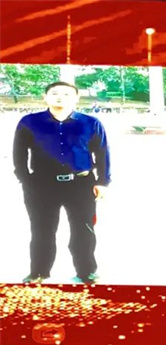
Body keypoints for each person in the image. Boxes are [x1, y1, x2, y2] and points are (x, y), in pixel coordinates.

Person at [12, 81, 111, 284]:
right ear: (45, 97)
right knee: (42, 230)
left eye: (67, 94)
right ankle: (39, 272)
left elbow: (102, 153)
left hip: (80, 184)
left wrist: (102, 181)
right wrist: (25, 179)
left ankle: (87, 271)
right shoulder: (29, 122)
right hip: (42, 185)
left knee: (84, 229)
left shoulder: (90, 123)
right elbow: (19, 153)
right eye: (55, 93)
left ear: (76, 98)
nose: (60, 97)